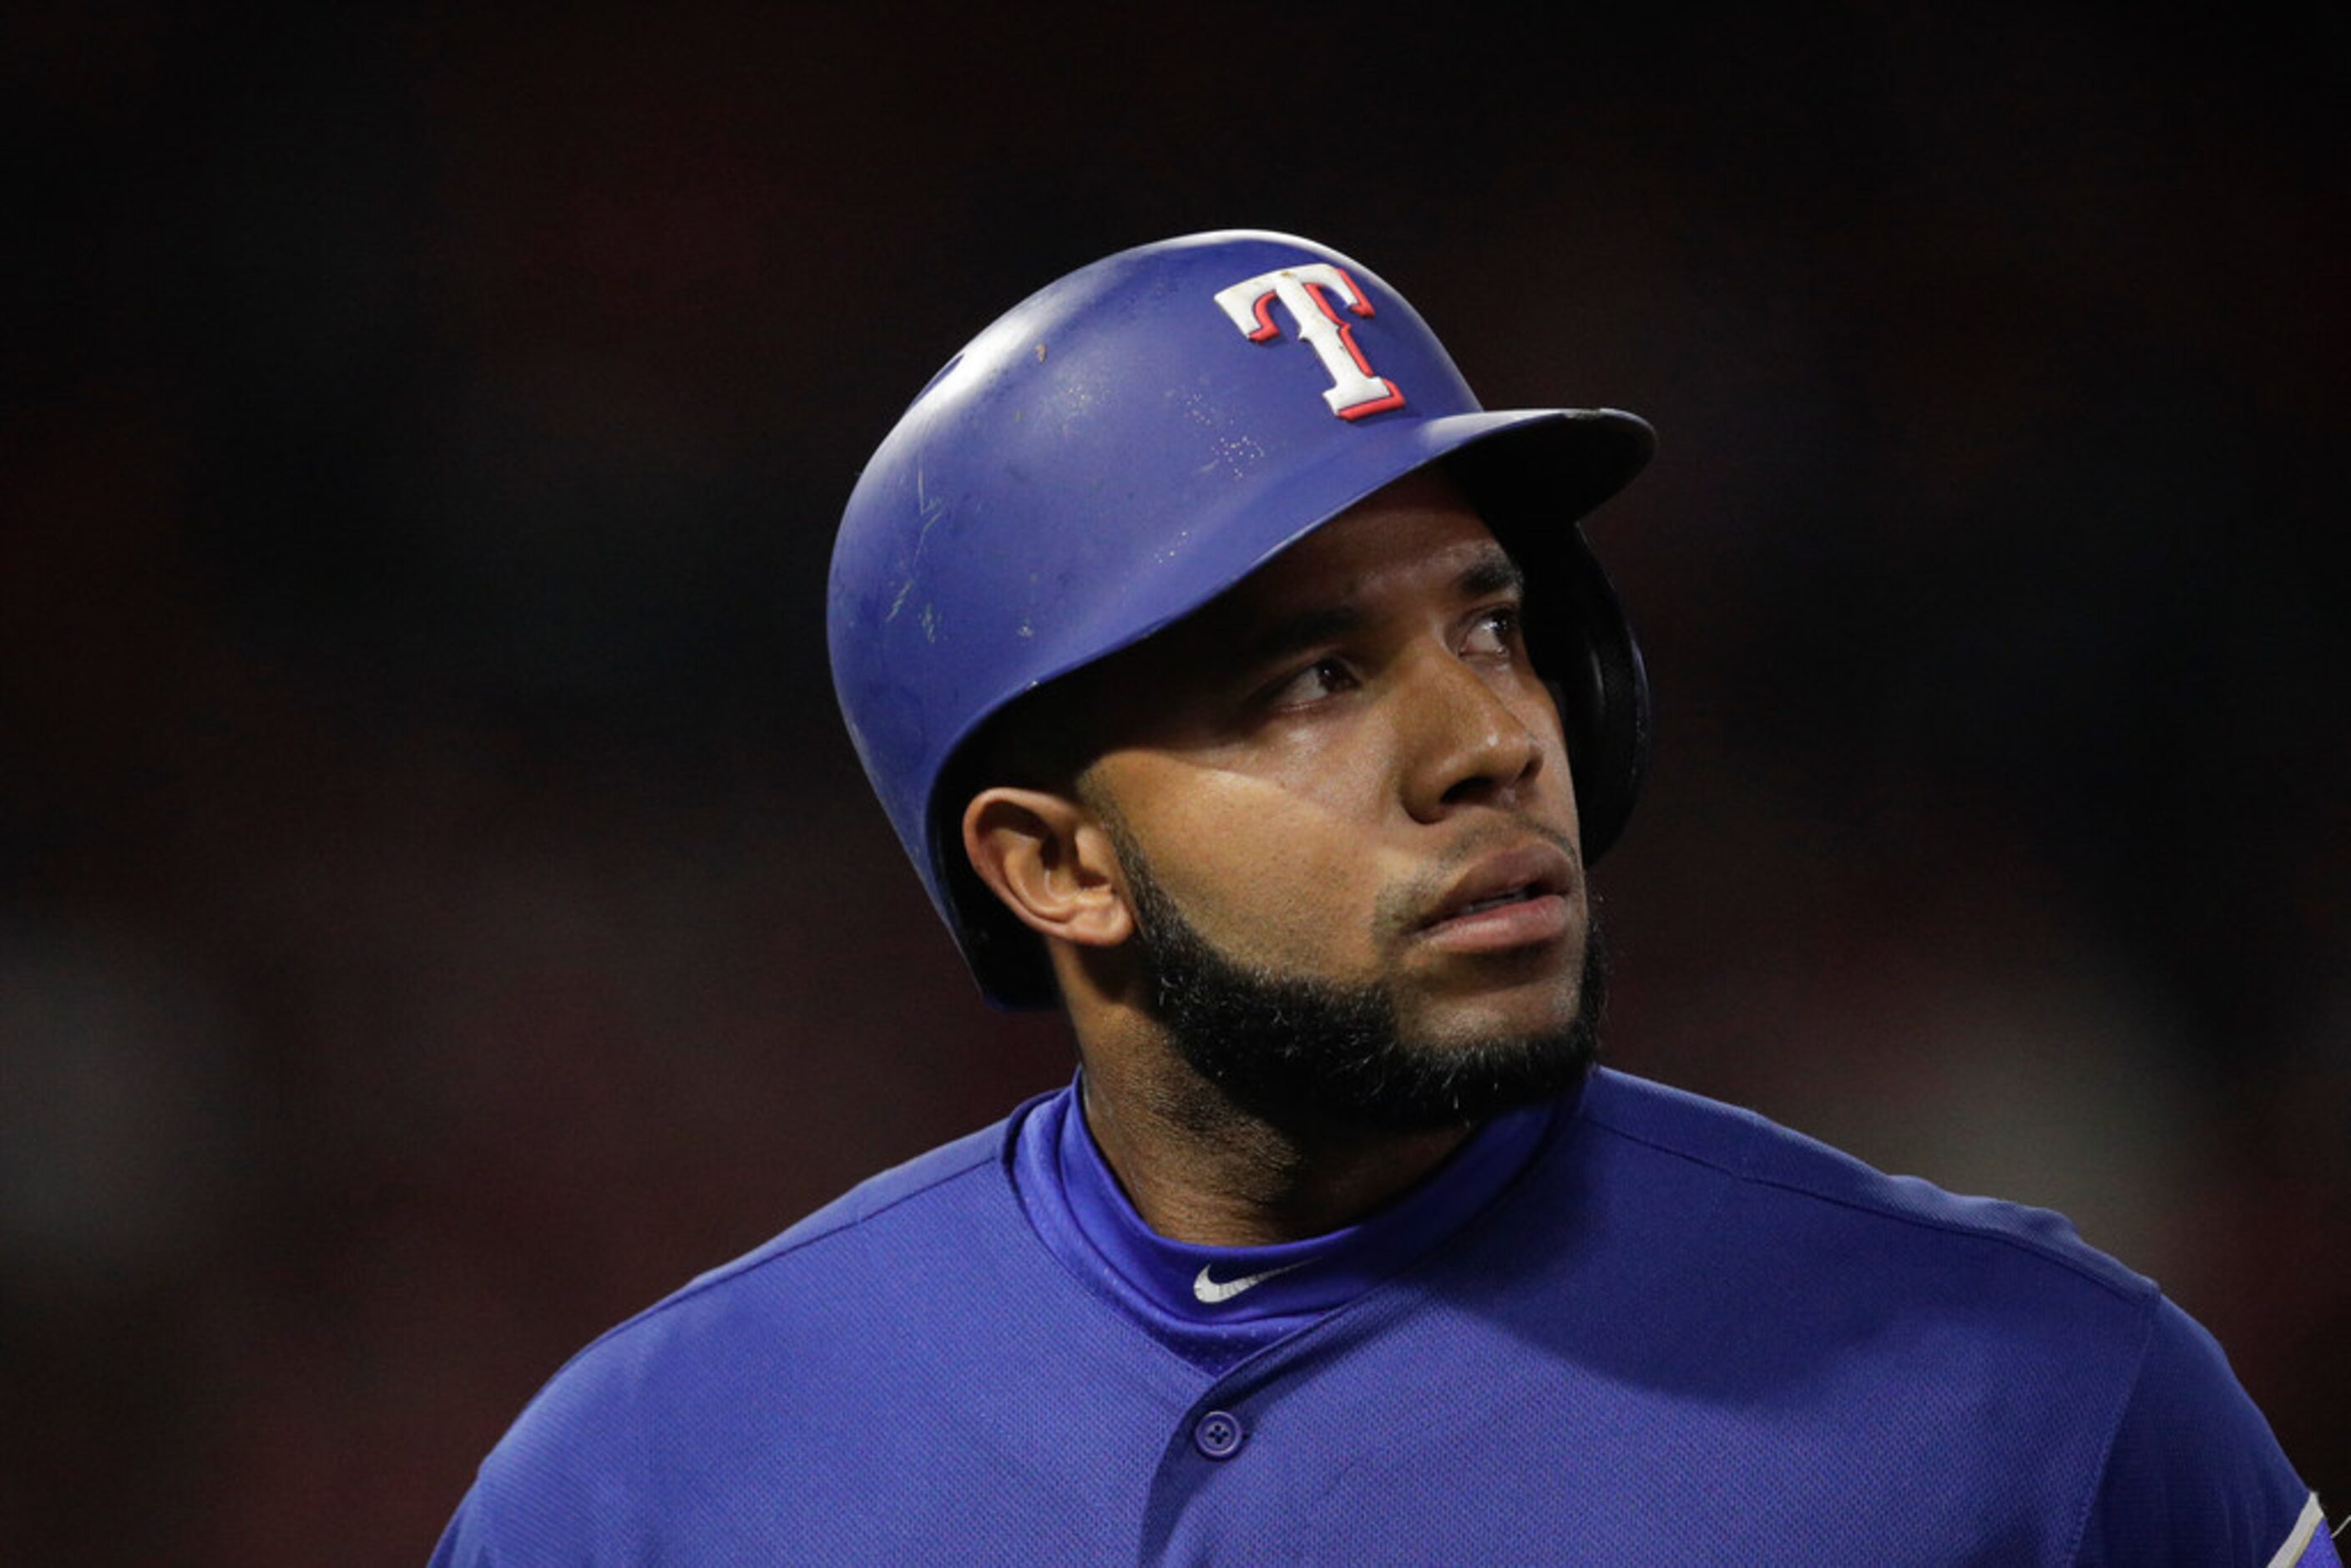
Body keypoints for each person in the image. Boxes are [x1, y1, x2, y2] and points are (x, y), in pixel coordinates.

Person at [430, 230, 2334, 1564]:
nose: (1489, 744)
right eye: (1314, 678)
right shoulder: (642, 1491)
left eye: (1495, 627)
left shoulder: (2043, 1406)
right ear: (1054, 864)